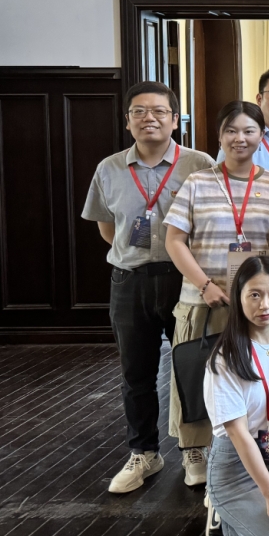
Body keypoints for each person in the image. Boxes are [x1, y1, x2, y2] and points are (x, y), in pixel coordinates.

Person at [81, 82, 215, 494]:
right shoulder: (109, 169)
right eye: (139, 111)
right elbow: (108, 229)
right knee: (135, 373)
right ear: (127, 121)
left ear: (175, 119)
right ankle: (144, 452)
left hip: (185, 281)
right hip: (130, 281)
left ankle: (194, 449)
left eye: (159, 111)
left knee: (191, 368)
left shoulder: (199, 164)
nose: (149, 118)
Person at [164, 101, 269, 487]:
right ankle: (194, 451)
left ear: (261, 136)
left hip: (258, 306)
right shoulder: (198, 182)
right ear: (219, 136)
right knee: (194, 374)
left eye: (249, 131)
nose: (240, 138)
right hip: (204, 299)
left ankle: (250, 449)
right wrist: (205, 285)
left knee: (254, 379)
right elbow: (174, 240)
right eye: (231, 131)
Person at [204, 256, 269, 536]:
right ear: (238, 297)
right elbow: (238, 434)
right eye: (254, 295)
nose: (265, 305)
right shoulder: (225, 359)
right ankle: (222, 504)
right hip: (236, 469)